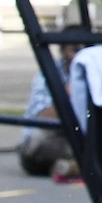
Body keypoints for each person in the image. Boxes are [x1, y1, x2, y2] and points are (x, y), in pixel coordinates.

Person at [17, 42, 79, 180]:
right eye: (75, 50)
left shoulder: (93, 72)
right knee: (41, 140)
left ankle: (71, 166)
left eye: (85, 50)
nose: (79, 56)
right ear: (62, 51)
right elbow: (43, 118)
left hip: (74, 136)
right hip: (44, 140)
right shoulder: (47, 75)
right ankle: (74, 164)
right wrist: (69, 94)